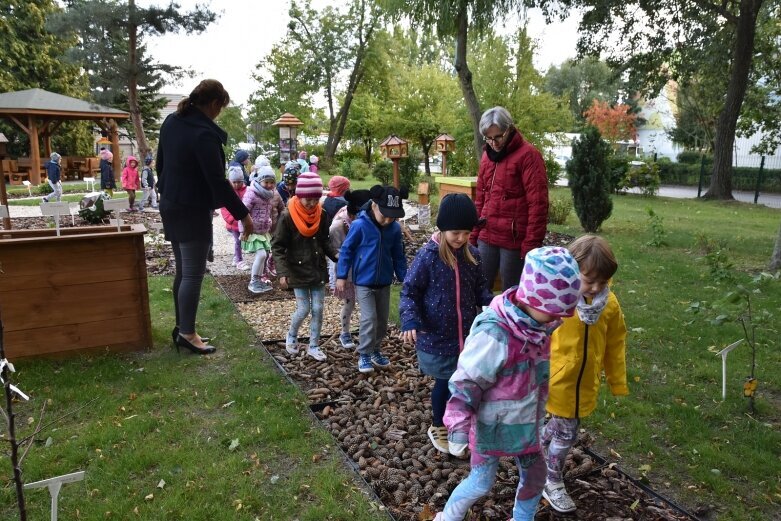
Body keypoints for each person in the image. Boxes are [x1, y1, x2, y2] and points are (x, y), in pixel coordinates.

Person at [435, 246, 581, 521]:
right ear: (533, 300)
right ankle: (447, 517)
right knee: (481, 482)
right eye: (553, 312)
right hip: (492, 428)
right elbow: (467, 380)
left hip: (526, 427)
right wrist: (458, 426)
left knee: (536, 477)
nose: (558, 319)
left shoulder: (538, 327)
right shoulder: (496, 335)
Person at [156, 79, 253, 355]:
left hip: (171, 204)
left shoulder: (172, 122)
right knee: (193, 274)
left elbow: (161, 163)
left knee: (183, 271)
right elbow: (218, 182)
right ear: (213, 104)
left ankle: (182, 328)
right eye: (220, 108)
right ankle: (187, 333)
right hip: (191, 208)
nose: (218, 113)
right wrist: (243, 215)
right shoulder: (203, 134)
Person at [399, 193, 494, 455]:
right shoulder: (428, 256)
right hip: (437, 336)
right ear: (442, 228)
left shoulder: (472, 256)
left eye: (466, 232)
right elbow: (410, 291)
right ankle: (439, 424)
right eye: (455, 232)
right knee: (445, 382)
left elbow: (480, 290)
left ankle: (462, 422)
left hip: (468, 336)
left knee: (463, 381)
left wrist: (495, 306)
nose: (461, 238)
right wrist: (409, 320)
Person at [541, 234, 628, 514]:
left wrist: (617, 381)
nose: (595, 287)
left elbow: (615, 344)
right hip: (558, 379)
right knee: (567, 433)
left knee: (561, 425)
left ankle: (534, 450)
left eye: (602, 282)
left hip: (585, 382)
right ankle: (550, 480)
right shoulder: (559, 299)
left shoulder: (609, 305)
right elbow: (536, 332)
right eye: (589, 280)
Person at [471, 106, 549, 291]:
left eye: (498, 136)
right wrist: (473, 234)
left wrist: (531, 245)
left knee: (512, 295)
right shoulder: (486, 157)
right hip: (487, 235)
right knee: (478, 289)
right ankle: (478, 321)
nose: (494, 143)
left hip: (514, 240)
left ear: (510, 129)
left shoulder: (529, 156)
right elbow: (481, 198)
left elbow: (538, 204)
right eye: (488, 138)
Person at [336, 185, 408, 373]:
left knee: (382, 321)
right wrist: (342, 276)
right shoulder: (360, 225)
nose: (388, 220)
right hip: (364, 282)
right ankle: (364, 354)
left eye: (393, 216)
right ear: (374, 206)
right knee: (369, 318)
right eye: (385, 214)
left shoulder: (393, 229)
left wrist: (405, 278)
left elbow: (398, 255)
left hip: (384, 282)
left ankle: (376, 349)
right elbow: (346, 251)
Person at [272, 171, 338, 362]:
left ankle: (314, 345)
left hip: (316, 269)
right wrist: (282, 273)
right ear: (299, 196)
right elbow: (278, 246)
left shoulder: (322, 215)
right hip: (297, 270)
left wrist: (336, 255)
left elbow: (324, 241)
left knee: (318, 309)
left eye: (315, 199)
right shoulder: (287, 216)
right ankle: (291, 335)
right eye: (307, 199)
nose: (311, 204)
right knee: (303, 310)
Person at [329, 189, 372, 349]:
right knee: (350, 302)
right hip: (346, 271)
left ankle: (365, 332)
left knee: (366, 302)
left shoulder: (366, 223)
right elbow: (334, 251)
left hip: (363, 268)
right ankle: (345, 332)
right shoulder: (338, 226)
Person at [241, 165, 280, 294]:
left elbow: (269, 211)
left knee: (264, 255)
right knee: (262, 254)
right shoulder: (252, 193)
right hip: (252, 230)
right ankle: (254, 281)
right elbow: (242, 212)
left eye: (272, 182)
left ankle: (257, 280)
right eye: (266, 182)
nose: (269, 185)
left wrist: (269, 223)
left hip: (263, 231)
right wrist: (243, 230)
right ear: (259, 181)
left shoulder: (270, 195)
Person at [221, 166, 248, 270]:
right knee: (238, 241)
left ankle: (236, 257)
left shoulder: (246, 191)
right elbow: (224, 208)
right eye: (234, 182)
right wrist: (232, 219)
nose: (237, 184)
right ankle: (239, 260)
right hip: (233, 224)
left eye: (239, 182)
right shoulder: (227, 192)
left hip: (243, 222)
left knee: (241, 241)